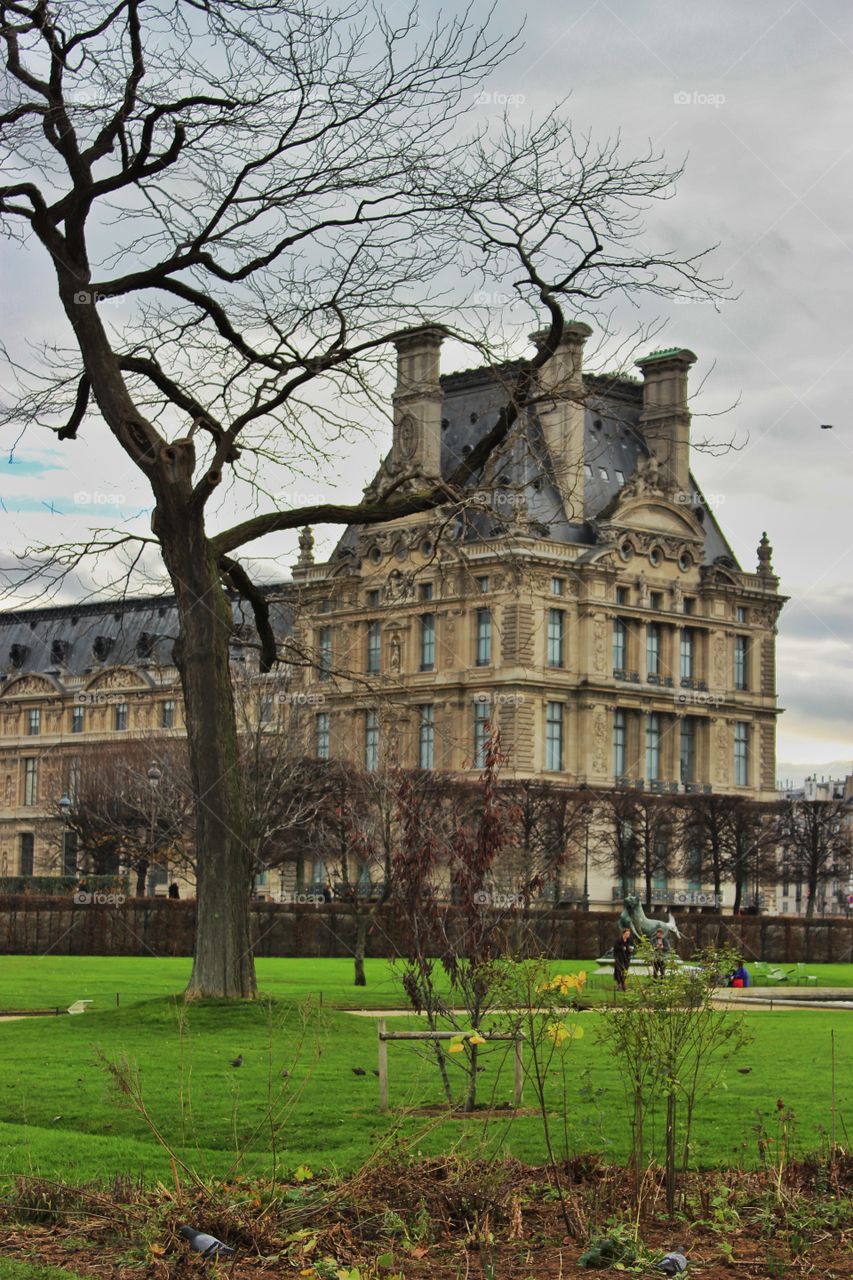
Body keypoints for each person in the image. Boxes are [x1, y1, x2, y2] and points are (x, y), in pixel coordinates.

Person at [613, 926, 633, 992]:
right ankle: (619, 984)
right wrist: (622, 948)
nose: (628, 935)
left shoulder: (628, 940)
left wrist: (629, 950)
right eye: (627, 934)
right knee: (618, 971)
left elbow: (628, 948)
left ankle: (623, 983)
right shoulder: (618, 940)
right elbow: (615, 948)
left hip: (626, 958)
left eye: (629, 934)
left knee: (625, 971)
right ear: (623, 934)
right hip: (619, 958)